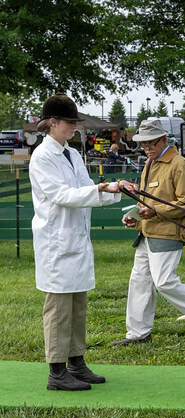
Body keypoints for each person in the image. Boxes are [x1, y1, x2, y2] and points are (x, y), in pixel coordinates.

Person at [29, 94, 137, 390]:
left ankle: (76, 362)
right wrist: (98, 190)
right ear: (53, 123)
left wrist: (115, 188)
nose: (75, 128)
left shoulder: (73, 154)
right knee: (59, 309)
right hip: (56, 240)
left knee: (78, 305)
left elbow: (86, 189)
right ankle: (56, 370)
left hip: (76, 239)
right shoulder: (42, 157)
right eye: (70, 123)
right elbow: (61, 195)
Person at [112, 119, 185, 347]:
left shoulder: (179, 164)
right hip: (147, 232)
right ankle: (138, 334)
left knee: (164, 282)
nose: (147, 148)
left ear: (163, 140)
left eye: (151, 143)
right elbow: (147, 198)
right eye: (143, 145)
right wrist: (134, 215)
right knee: (139, 282)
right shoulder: (150, 163)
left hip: (168, 232)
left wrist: (155, 211)